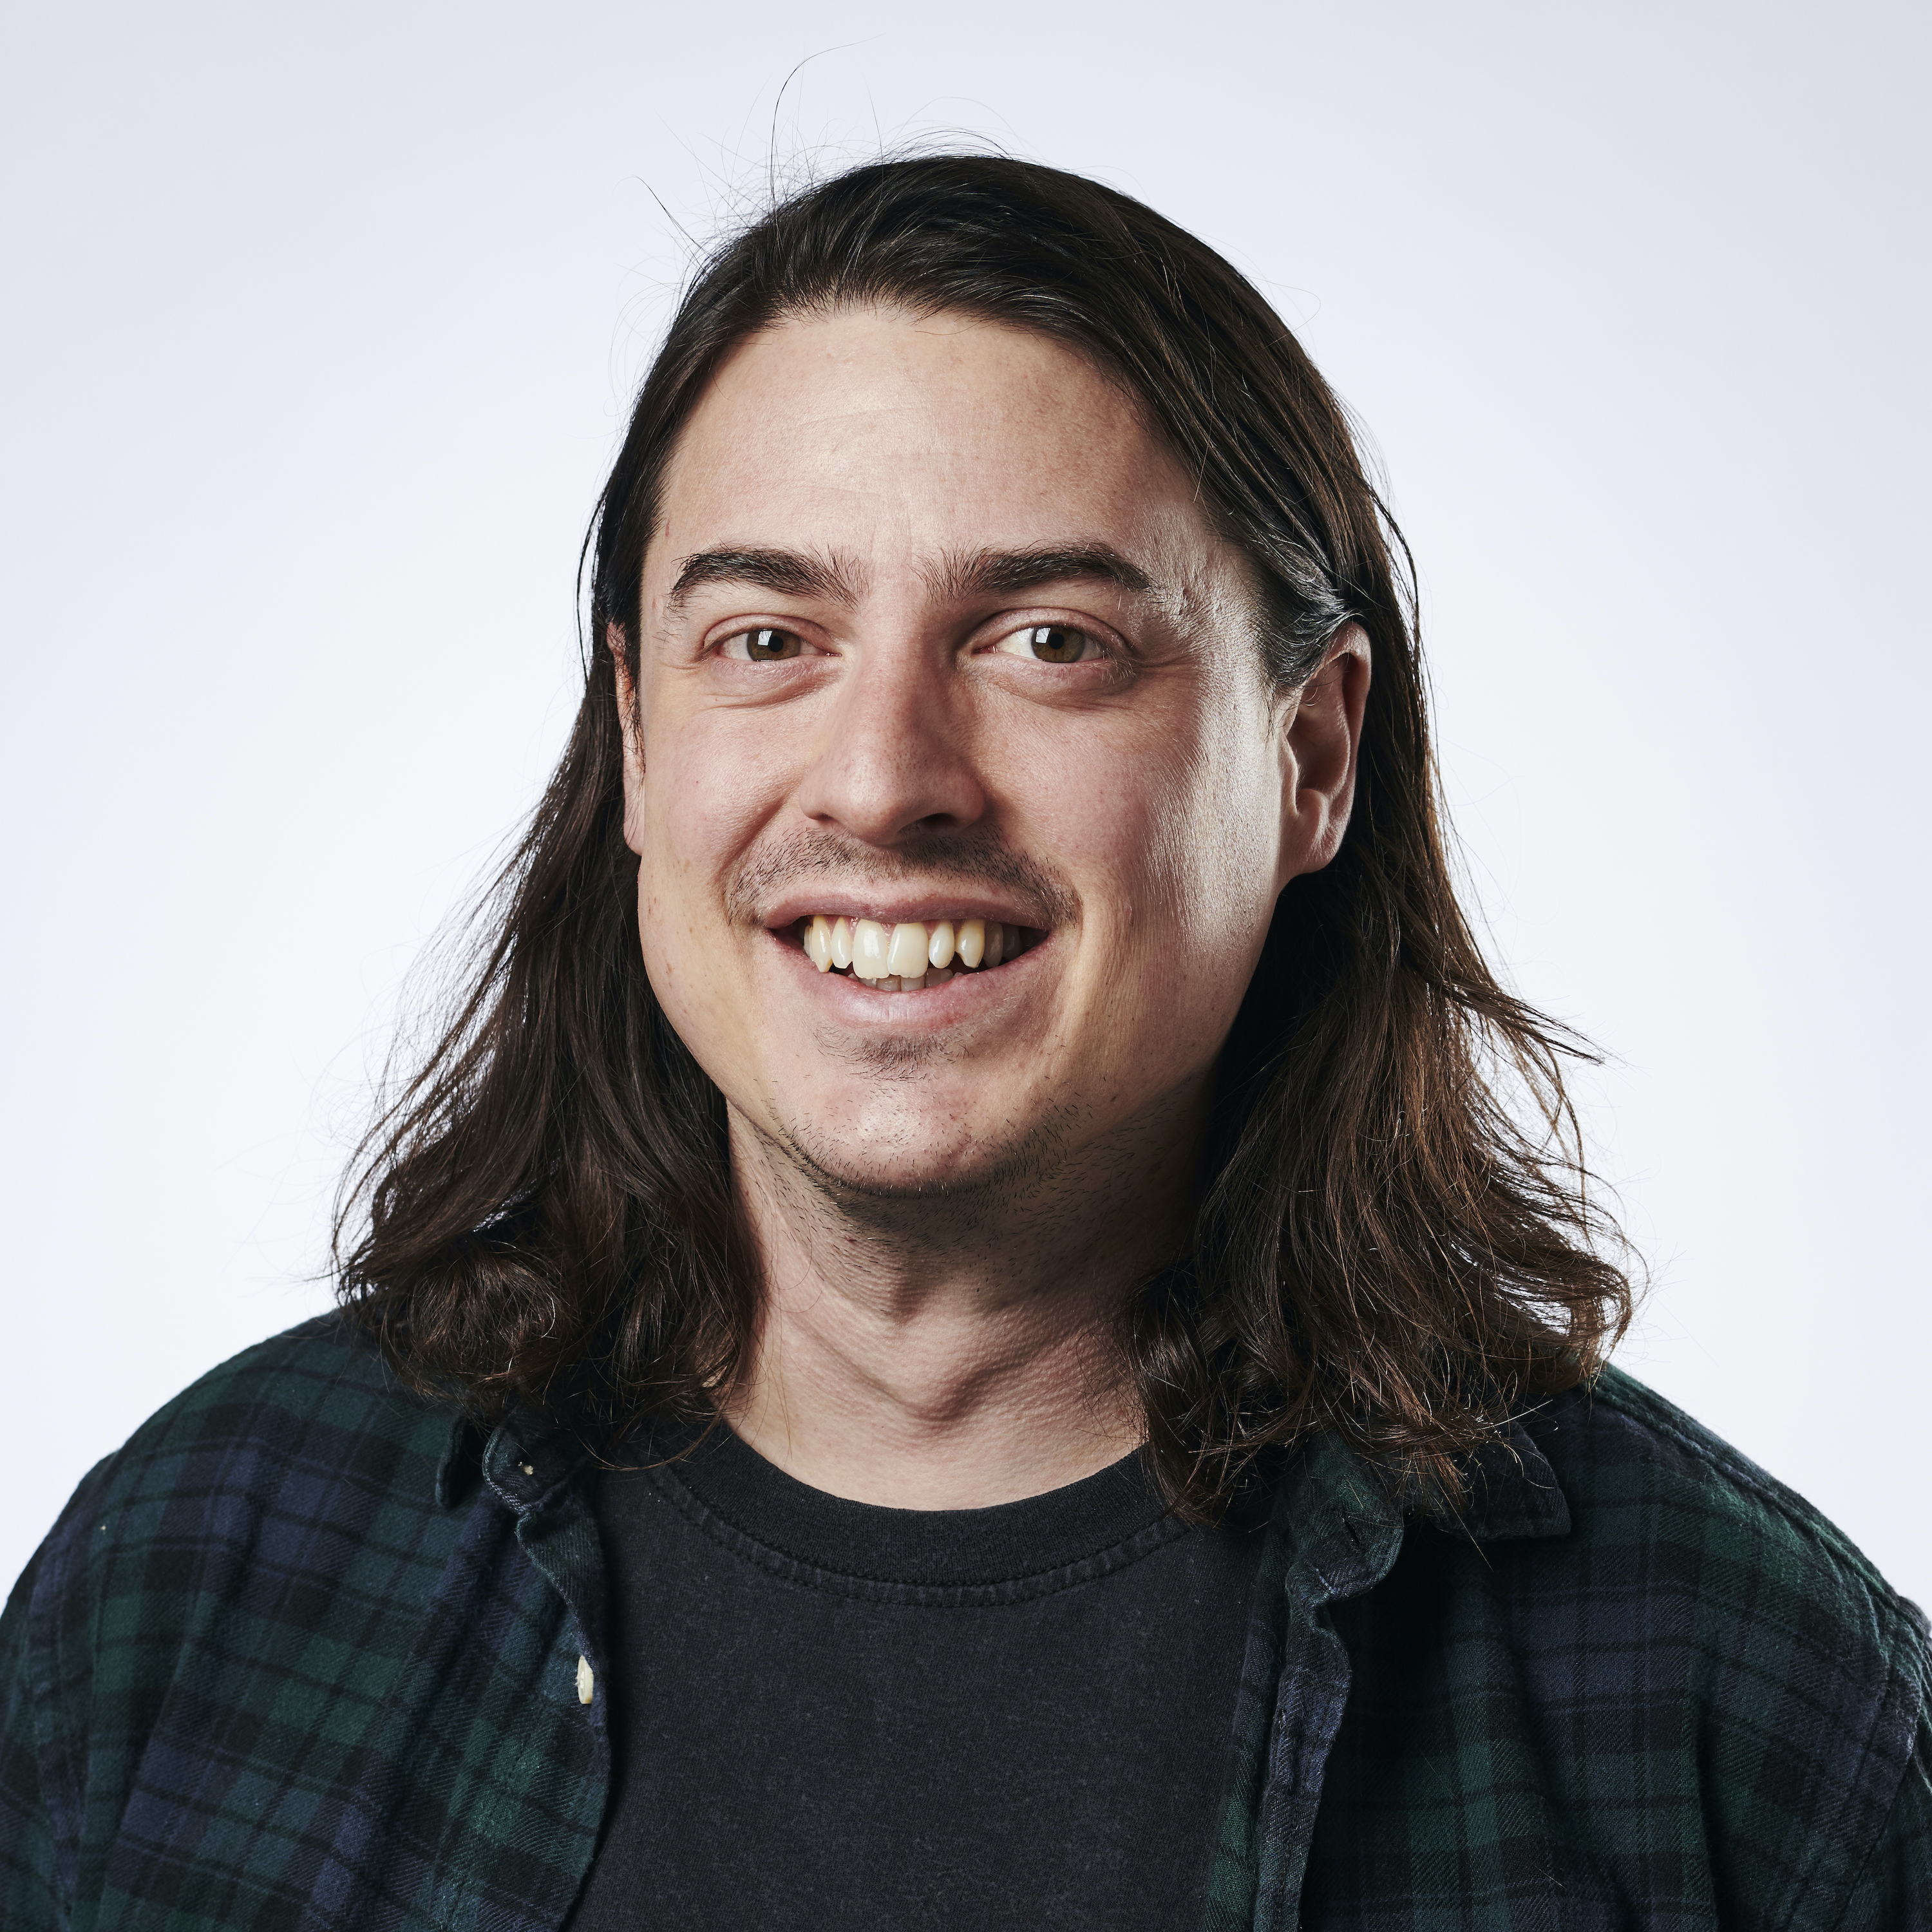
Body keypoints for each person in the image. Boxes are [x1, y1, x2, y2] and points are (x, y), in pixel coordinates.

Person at [3, 155, 1926, 1932]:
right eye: (769, 640)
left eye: (1049, 641)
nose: (885, 779)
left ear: (1312, 753)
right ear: (638, 741)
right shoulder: (195, 1580)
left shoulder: (1738, 1706)